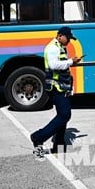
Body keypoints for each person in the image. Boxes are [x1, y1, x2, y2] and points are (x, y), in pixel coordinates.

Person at [30, 26, 82, 157]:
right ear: (60, 36)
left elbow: (61, 65)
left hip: (61, 86)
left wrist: (70, 63)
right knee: (65, 115)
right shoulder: (52, 47)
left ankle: (58, 145)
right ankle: (38, 137)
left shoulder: (60, 47)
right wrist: (71, 61)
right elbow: (53, 65)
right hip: (56, 87)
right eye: (68, 38)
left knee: (62, 115)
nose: (69, 41)